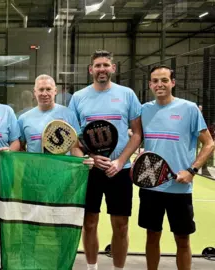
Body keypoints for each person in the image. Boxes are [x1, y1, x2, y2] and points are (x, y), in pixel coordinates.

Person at [68, 50, 143, 270]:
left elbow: (137, 134)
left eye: (106, 65)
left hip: (119, 171)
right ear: (91, 70)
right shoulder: (78, 97)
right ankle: (92, 268)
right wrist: (90, 158)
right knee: (89, 224)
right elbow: (74, 139)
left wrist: (119, 161)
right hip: (90, 171)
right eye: (97, 65)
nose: (102, 69)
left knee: (120, 226)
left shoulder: (127, 94)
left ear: (113, 68)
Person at [139, 65, 214, 270]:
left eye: (164, 80)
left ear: (173, 82)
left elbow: (209, 143)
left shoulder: (189, 109)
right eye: (155, 81)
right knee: (152, 235)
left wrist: (192, 171)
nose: (159, 84)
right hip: (151, 186)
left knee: (182, 239)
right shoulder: (144, 110)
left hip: (179, 188)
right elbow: (136, 136)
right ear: (150, 85)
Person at [18, 74, 93, 164]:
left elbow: (75, 147)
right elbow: (19, 148)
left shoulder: (69, 114)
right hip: (34, 174)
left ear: (55, 91)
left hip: (63, 173)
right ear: (35, 92)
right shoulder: (23, 119)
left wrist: (83, 161)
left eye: (48, 89)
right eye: (41, 89)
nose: (44, 93)